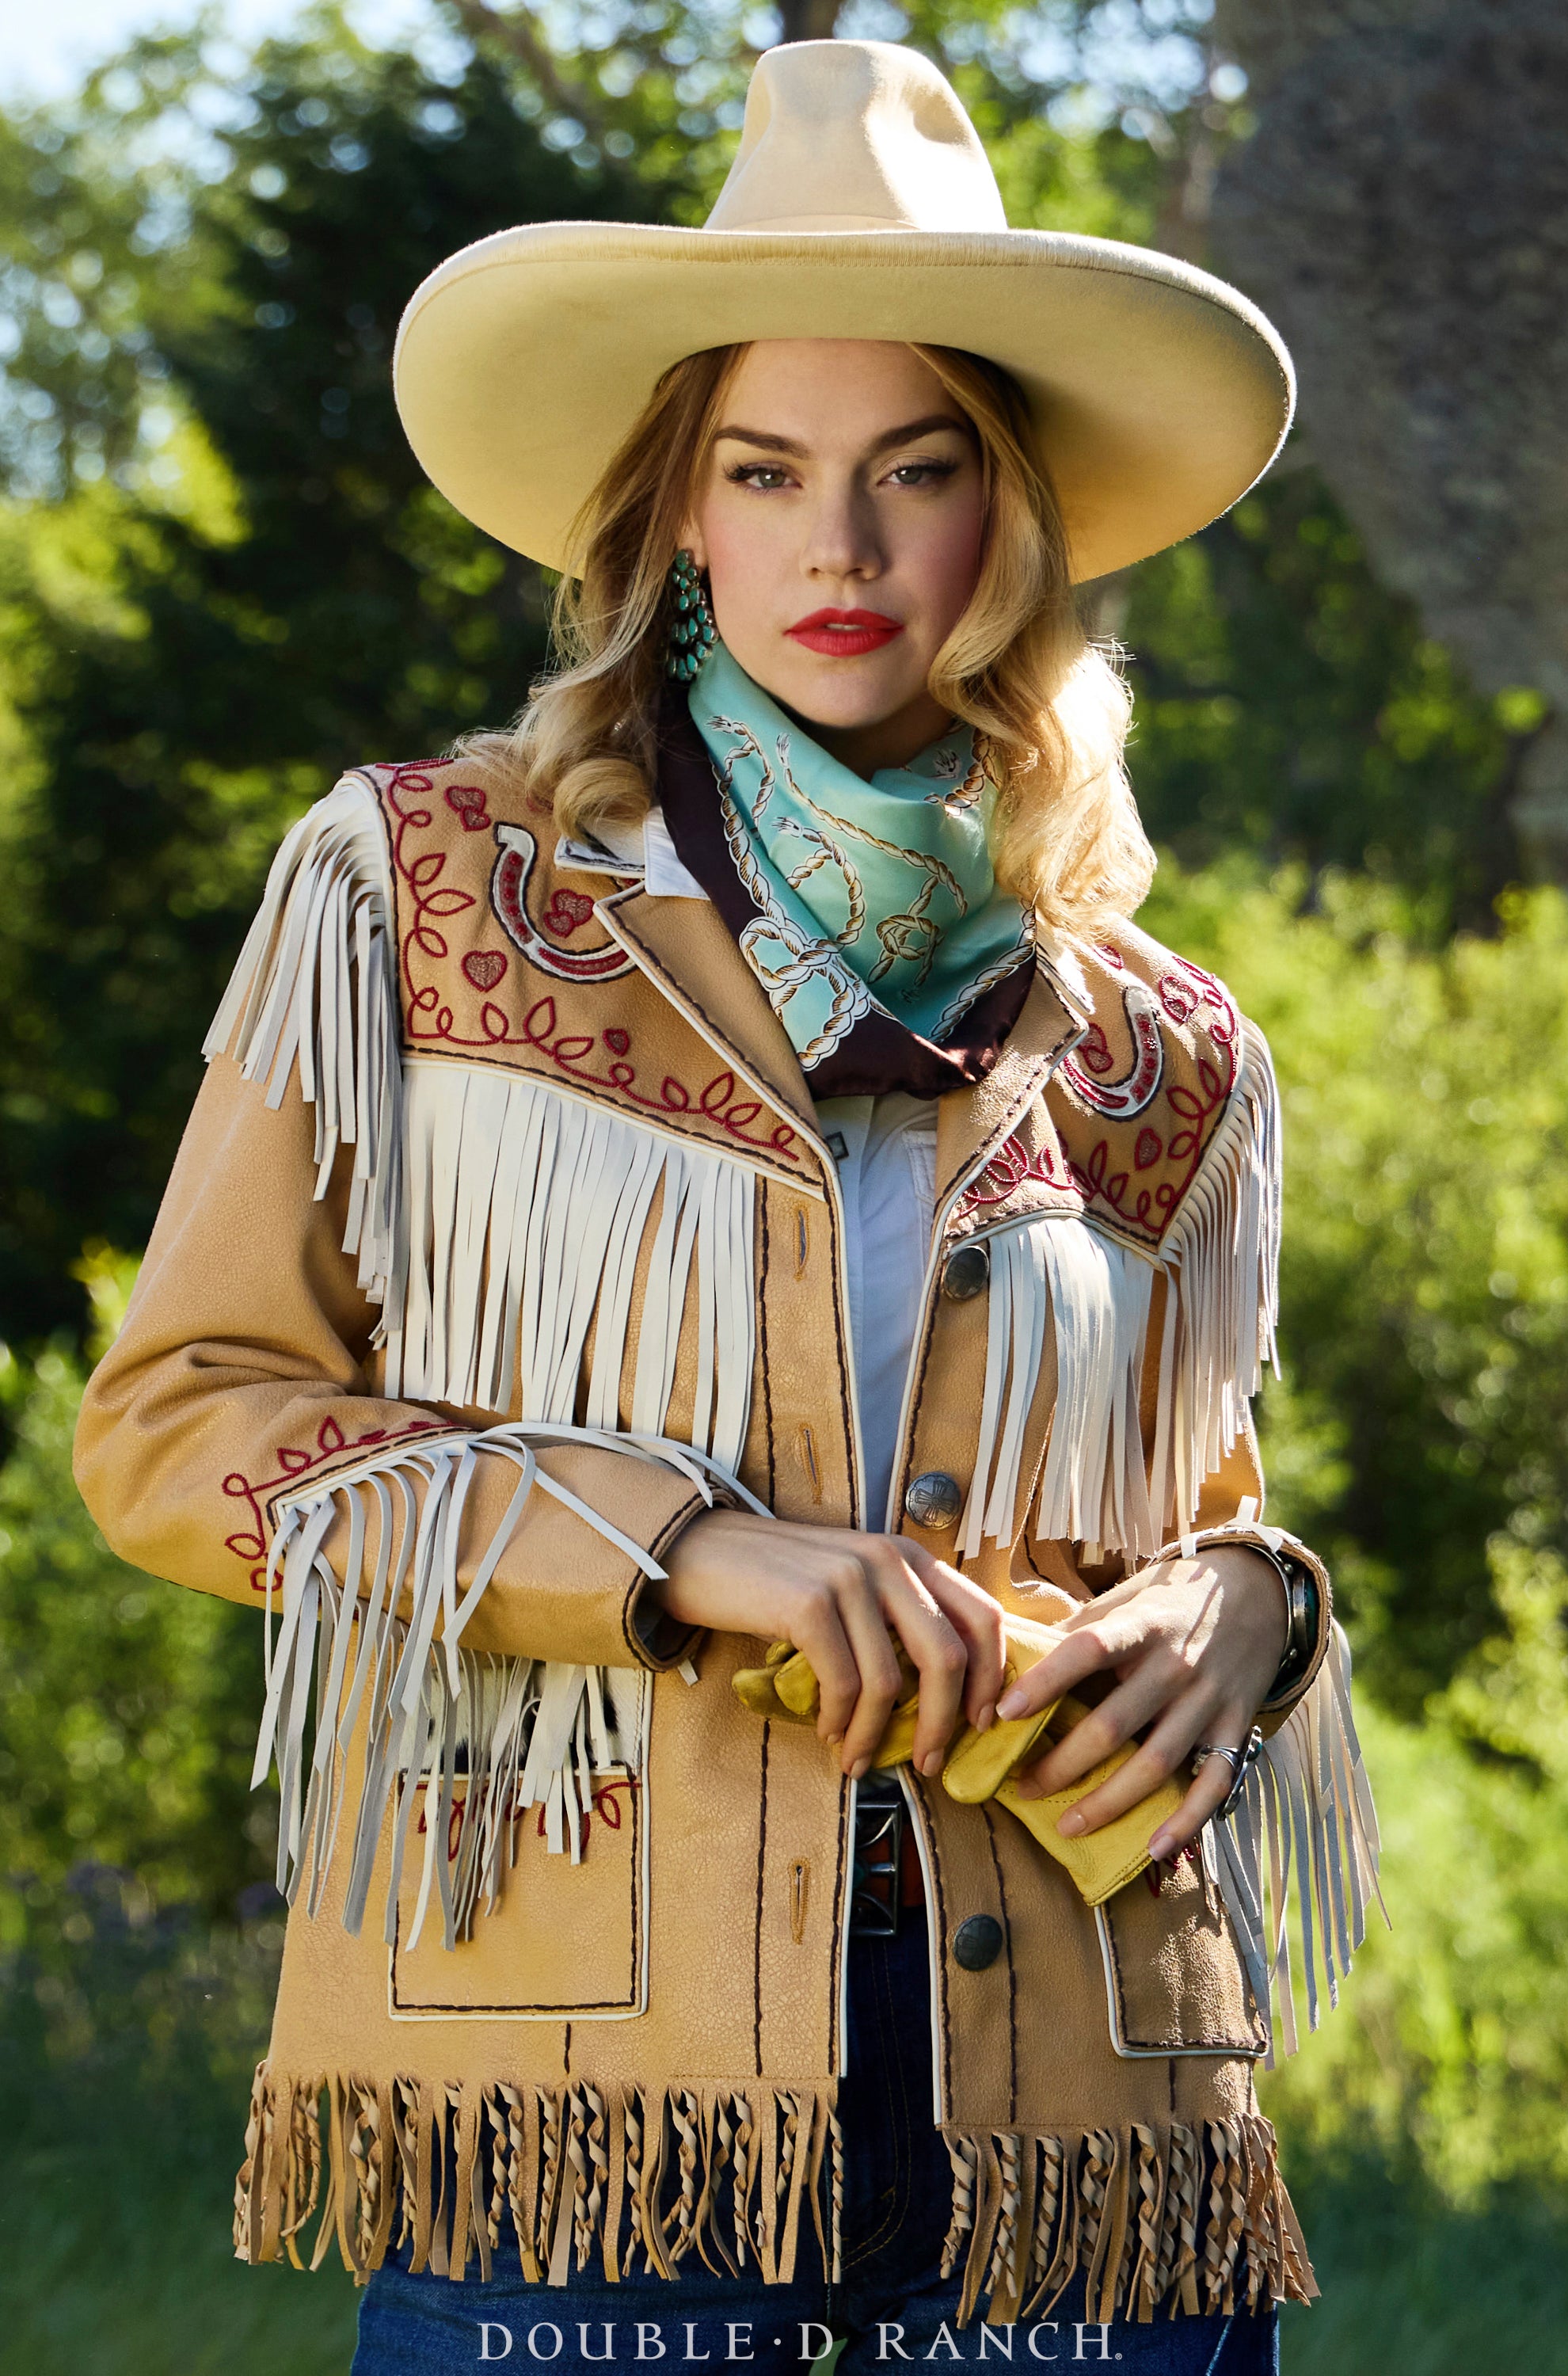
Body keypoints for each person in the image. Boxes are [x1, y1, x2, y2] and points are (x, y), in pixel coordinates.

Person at [74, 37, 1381, 2376]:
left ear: (1014, 522)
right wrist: (684, 1552)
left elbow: (1190, 1521)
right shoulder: (424, 896)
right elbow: (180, 1431)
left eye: (915, 469)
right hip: (581, 2084)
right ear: (680, 512)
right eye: (766, 470)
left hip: (1084, 2104)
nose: (839, 547)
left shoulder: (1166, 1041)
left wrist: (1247, 1609)